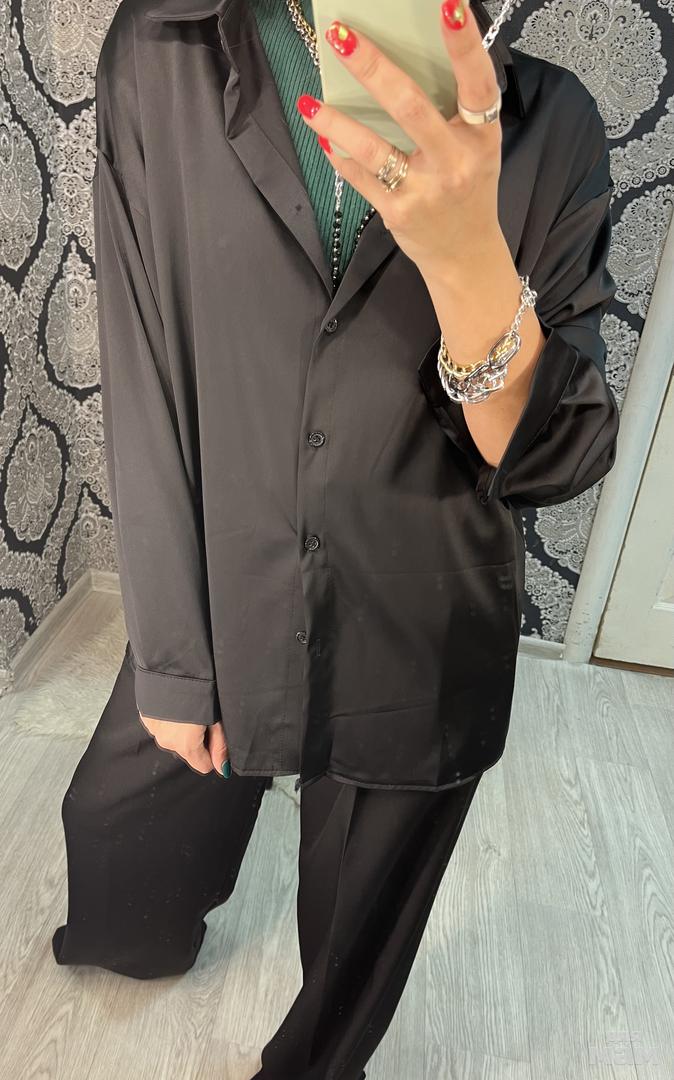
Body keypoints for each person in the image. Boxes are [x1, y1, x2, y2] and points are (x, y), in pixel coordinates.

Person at [51, 0, 620, 1077]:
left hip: (419, 617)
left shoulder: (553, 124)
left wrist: (468, 260)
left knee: (353, 954)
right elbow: (144, 360)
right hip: (227, 586)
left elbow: (553, 459)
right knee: (124, 850)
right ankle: (141, 935)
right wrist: (171, 655)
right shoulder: (166, 51)